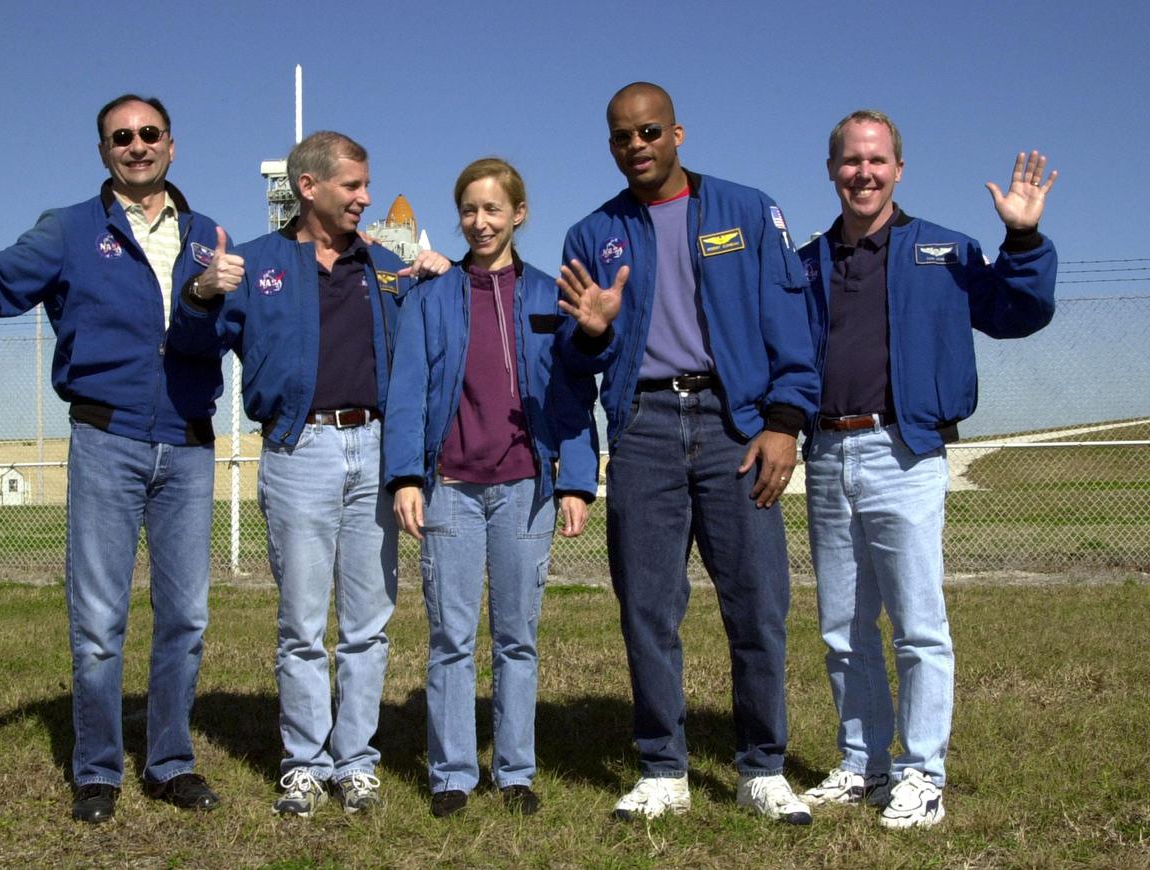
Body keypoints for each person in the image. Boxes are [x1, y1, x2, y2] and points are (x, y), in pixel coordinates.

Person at [0, 94, 244, 823]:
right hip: (105, 439)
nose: (137, 145)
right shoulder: (68, 230)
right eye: (121, 137)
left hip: (187, 444)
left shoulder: (210, 234)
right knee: (98, 621)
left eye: (149, 133)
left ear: (172, 146)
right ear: (104, 153)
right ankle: (96, 771)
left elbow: (233, 331)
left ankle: (169, 763)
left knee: (185, 616)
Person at [555, 82, 818, 823]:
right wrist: (595, 332)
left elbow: (789, 322)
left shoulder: (746, 209)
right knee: (647, 607)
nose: (635, 147)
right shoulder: (592, 235)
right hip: (641, 427)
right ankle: (663, 769)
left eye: (648, 133)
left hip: (734, 424)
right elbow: (573, 365)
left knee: (758, 605)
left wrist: (782, 424)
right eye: (621, 137)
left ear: (677, 133)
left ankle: (762, 768)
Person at [167, 130, 447, 818]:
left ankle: (355, 763)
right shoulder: (255, 264)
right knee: (301, 623)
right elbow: (192, 341)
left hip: (375, 449)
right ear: (309, 187)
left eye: (366, 184)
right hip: (299, 450)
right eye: (353, 185)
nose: (365, 197)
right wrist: (203, 293)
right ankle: (303, 762)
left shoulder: (384, 266)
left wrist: (439, 282)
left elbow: (425, 345)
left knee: (368, 623)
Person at [797, 110, 1058, 829]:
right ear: (832, 170)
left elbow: (1019, 312)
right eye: (851, 161)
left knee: (918, 628)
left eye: (878, 160)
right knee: (843, 630)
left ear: (899, 170)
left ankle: (920, 774)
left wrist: (1024, 237)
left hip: (904, 453)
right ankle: (862, 764)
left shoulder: (945, 251)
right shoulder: (808, 265)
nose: (865, 173)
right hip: (826, 456)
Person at [383, 158, 600, 818]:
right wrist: (406, 477)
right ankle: (452, 773)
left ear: (519, 215)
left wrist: (576, 480)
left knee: (516, 637)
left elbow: (571, 393)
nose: (480, 221)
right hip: (449, 486)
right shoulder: (430, 297)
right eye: (470, 210)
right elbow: (409, 392)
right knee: (451, 638)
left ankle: (515, 772)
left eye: (493, 209)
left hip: (524, 488)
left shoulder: (545, 294)